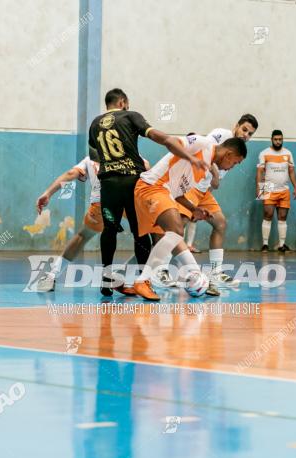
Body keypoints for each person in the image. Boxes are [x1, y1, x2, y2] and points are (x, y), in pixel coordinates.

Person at [88, 88, 206, 296]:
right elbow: (160, 138)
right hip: (132, 181)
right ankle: (144, 282)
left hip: (108, 183)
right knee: (141, 231)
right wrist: (185, 153)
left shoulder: (94, 124)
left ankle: (106, 280)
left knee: (109, 230)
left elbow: (93, 151)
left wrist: (110, 163)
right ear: (123, 102)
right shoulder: (130, 116)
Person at [132, 136, 248, 301]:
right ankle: (146, 280)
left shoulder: (204, 170)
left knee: (173, 235)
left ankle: (193, 277)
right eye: (235, 163)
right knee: (176, 229)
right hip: (151, 187)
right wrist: (192, 158)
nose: (232, 167)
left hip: (163, 192)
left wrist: (194, 209)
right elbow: (170, 141)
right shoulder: (203, 144)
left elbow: (178, 193)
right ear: (228, 154)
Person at [32, 150, 136, 295]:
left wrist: (48, 193)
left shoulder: (90, 159)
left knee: (82, 237)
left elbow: (70, 174)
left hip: (101, 203)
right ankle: (120, 276)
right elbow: (146, 166)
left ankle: (51, 276)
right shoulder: (126, 151)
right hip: (129, 202)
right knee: (151, 237)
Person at [176, 115, 258, 283]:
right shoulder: (221, 134)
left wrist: (212, 185)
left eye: (250, 134)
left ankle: (216, 273)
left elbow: (217, 178)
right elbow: (205, 151)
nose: (246, 135)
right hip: (191, 185)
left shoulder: (238, 151)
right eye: (244, 130)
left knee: (220, 223)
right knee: (178, 226)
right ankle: (162, 269)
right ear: (236, 125)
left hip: (204, 192)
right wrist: (214, 175)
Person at [256, 130, 296, 252]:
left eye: (280, 139)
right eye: (276, 139)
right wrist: (259, 188)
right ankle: (265, 245)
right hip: (268, 187)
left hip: (284, 188)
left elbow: (291, 171)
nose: (278, 141)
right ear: (271, 139)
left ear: (282, 139)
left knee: (283, 217)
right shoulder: (264, 153)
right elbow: (259, 171)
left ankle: (282, 245)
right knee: (267, 215)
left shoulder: (288, 153)